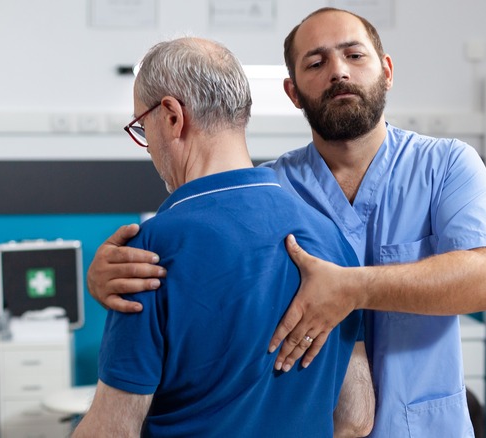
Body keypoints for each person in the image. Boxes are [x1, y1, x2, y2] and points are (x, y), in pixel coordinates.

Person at [87, 8, 486, 437]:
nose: (339, 72)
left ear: (386, 71)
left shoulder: (446, 166)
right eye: (316, 62)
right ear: (292, 91)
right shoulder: (273, 189)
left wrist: (351, 287)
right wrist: (107, 276)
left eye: (354, 55)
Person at [72, 37, 369, 438]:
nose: (148, 147)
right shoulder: (331, 238)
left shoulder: (148, 255)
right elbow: (356, 417)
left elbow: (112, 431)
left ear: (172, 116)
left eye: (143, 128)